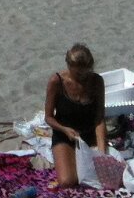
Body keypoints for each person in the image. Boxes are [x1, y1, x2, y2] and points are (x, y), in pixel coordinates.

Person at [45, 44, 106, 187]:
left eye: (86, 73)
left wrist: (102, 151)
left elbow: (99, 118)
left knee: (100, 175)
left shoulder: (97, 81)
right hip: (64, 133)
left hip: (89, 133)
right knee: (68, 181)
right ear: (69, 66)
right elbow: (48, 117)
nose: (82, 77)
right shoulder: (57, 81)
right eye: (78, 74)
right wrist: (65, 130)